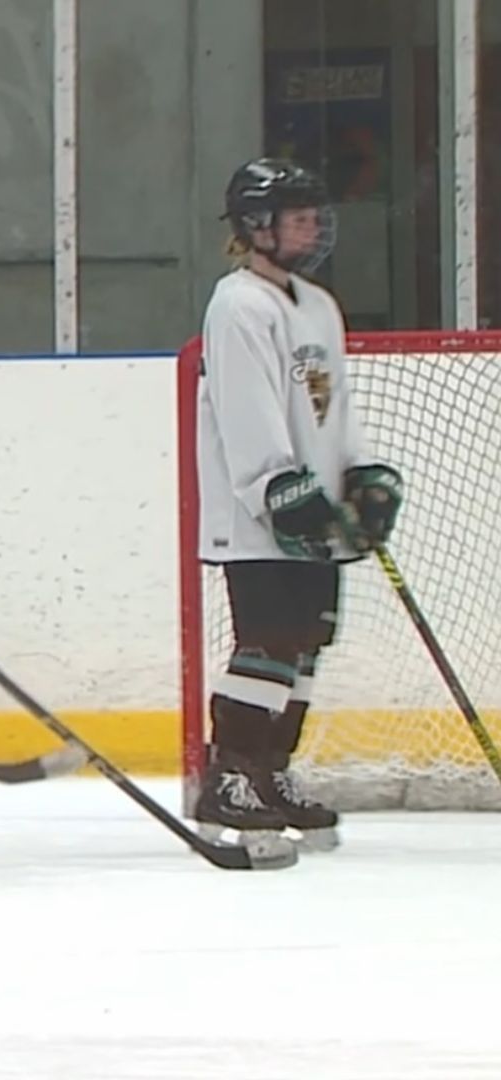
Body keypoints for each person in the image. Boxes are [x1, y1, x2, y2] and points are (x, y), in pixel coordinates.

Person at [191, 157, 399, 853]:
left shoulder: (317, 306)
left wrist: (361, 472)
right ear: (257, 226)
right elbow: (246, 410)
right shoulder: (237, 306)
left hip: (316, 507)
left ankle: (270, 771)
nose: (314, 229)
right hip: (259, 516)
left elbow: (332, 407)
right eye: (298, 218)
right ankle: (230, 777)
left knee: (306, 643)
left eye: (315, 217)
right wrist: (280, 489)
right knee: (269, 641)